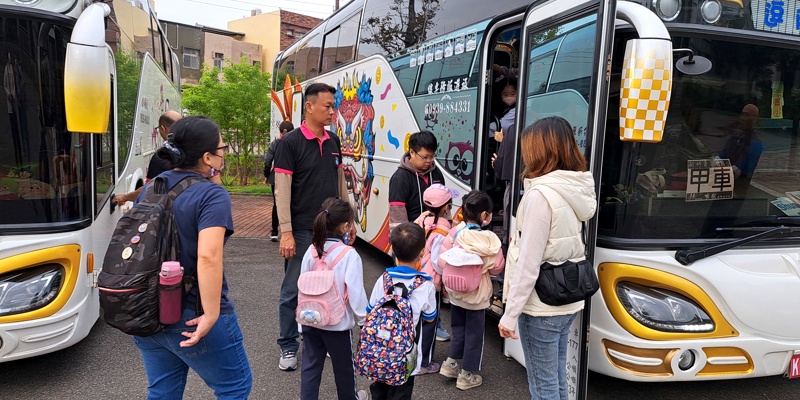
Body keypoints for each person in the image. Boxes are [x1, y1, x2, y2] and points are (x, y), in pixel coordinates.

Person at [132, 116, 252, 399]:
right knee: (234, 386)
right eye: (221, 150)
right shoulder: (211, 195)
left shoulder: (153, 187)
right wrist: (211, 315)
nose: (224, 154)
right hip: (191, 310)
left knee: (163, 391)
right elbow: (208, 256)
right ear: (207, 156)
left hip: (146, 308)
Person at [497, 116, 596, 400]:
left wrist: (510, 313)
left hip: (541, 306)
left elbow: (528, 262)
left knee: (543, 387)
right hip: (567, 300)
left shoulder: (540, 195)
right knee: (558, 379)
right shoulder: (576, 187)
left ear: (540, 151)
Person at [273, 82, 353, 371]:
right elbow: (282, 190)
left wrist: (348, 220)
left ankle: (321, 340)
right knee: (294, 290)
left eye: (334, 106)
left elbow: (340, 182)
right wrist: (286, 232)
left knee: (331, 287)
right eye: (328, 106)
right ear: (309, 107)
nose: (333, 111)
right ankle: (288, 345)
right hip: (303, 229)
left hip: (332, 230)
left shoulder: (333, 141)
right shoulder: (290, 143)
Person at [298, 197, 369, 400]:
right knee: (344, 368)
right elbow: (356, 292)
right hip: (337, 326)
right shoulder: (349, 255)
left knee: (310, 368)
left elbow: (302, 287)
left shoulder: (311, 250)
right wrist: (364, 320)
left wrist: (300, 325)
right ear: (346, 226)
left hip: (310, 320)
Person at [438, 191, 505, 390]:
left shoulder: (456, 233)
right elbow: (497, 267)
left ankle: (450, 364)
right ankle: (466, 375)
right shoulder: (490, 239)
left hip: (456, 293)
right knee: (475, 335)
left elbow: (442, 260)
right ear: (485, 215)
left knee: (458, 329)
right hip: (477, 296)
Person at [367, 222, 437, 400]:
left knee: (379, 388)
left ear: (392, 250)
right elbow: (430, 317)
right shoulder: (426, 285)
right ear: (422, 252)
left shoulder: (384, 279)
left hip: (380, 349)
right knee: (402, 393)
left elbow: (370, 310)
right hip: (407, 354)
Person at [413, 183, 458, 374]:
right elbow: (438, 260)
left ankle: (413, 356)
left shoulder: (423, 218)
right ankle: (424, 363)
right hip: (431, 281)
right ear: (446, 207)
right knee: (429, 323)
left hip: (416, 274)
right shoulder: (441, 229)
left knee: (416, 320)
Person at [114, 110, 183, 203]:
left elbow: (149, 190)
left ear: (162, 128)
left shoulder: (162, 157)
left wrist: (124, 197)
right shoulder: (192, 151)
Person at [389, 130, 445, 231]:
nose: (429, 161)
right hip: (413, 236)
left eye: (432, 156)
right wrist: (405, 238)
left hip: (435, 232)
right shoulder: (400, 178)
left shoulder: (436, 173)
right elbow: (398, 215)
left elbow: (444, 205)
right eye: (424, 157)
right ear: (412, 152)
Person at [264, 120, 294, 241]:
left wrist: (266, 175)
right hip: (292, 177)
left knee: (277, 204)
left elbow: (267, 161)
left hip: (276, 177)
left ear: (280, 132)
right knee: (292, 203)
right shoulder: (296, 144)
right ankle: (292, 230)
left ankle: (275, 232)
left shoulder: (275, 144)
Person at [489, 78, 517, 144]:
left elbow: (501, 125)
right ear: (501, 95)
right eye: (505, 94)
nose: (509, 97)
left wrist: (482, 127)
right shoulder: (503, 109)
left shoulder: (516, 111)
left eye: (513, 94)